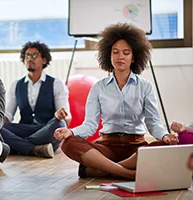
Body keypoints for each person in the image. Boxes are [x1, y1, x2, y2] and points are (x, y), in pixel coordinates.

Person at [54, 23, 178, 180]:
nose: (120, 57)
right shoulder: (98, 87)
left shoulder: (145, 86)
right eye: (115, 52)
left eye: (126, 53)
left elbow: (153, 124)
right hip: (107, 147)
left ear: (134, 57)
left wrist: (166, 136)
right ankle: (127, 172)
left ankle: (101, 169)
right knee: (68, 142)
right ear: (109, 55)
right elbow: (90, 125)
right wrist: (70, 132)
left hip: (136, 147)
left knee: (166, 146)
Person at [0, 41, 71, 158]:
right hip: (24, 128)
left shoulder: (56, 83)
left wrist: (60, 115)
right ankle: (34, 148)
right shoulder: (16, 84)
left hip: (46, 129)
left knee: (60, 123)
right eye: (27, 56)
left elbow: (66, 118)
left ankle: (17, 145)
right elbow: (8, 115)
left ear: (44, 60)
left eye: (34, 56)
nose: (29, 59)